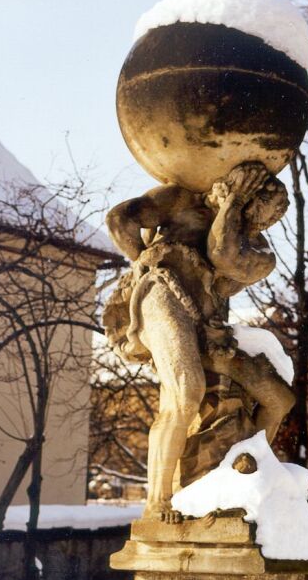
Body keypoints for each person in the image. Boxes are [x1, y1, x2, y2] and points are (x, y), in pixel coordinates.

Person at [104, 162, 294, 522]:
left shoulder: (259, 253)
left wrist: (232, 206)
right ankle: (158, 500)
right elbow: (119, 220)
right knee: (186, 394)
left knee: (278, 398)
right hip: (163, 293)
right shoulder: (180, 200)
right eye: (258, 211)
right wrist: (142, 261)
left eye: (268, 219)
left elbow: (222, 253)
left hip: (208, 325)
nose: (260, 224)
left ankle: (243, 475)